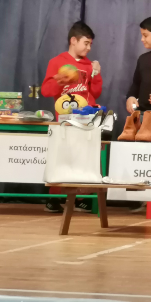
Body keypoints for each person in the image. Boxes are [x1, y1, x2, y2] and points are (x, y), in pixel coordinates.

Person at [41, 21, 102, 213]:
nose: (89, 48)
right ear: (73, 40)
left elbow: (95, 92)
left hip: (86, 120)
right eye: (86, 43)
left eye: (91, 44)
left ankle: (82, 198)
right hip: (65, 121)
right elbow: (46, 90)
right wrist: (59, 81)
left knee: (85, 159)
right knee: (62, 158)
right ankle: (54, 198)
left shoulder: (89, 65)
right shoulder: (57, 62)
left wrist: (96, 74)